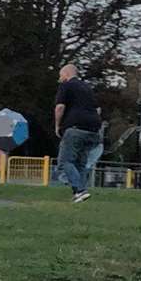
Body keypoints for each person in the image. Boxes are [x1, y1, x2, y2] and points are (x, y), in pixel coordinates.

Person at [54, 64, 100, 203]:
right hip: (93, 129)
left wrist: (57, 125)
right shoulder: (87, 88)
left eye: (61, 75)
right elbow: (98, 109)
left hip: (75, 128)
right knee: (81, 162)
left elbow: (60, 107)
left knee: (65, 161)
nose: (59, 79)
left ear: (67, 74)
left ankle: (80, 190)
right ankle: (80, 194)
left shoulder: (66, 85)